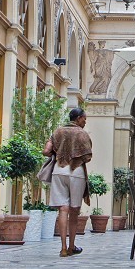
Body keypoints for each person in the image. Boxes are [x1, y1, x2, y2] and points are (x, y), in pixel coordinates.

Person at [44, 107, 91, 257]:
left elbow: (46, 151)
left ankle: (63, 247)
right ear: (78, 118)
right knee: (74, 210)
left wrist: (59, 153)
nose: (85, 121)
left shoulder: (58, 132)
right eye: (84, 118)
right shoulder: (82, 133)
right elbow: (88, 156)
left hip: (59, 170)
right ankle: (72, 246)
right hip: (76, 172)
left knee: (63, 209)